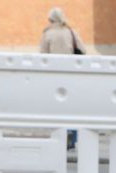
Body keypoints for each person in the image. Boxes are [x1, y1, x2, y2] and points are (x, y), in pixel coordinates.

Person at [40, 8, 85, 150]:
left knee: (56, 108)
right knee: (71, 108)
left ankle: (59, 136)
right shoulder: (71, 32)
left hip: (54, 76)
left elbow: (42, 56)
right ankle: (73, 135)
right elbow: (83, 51)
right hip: (70, 74)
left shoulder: (47, 34)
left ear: (51, 20)